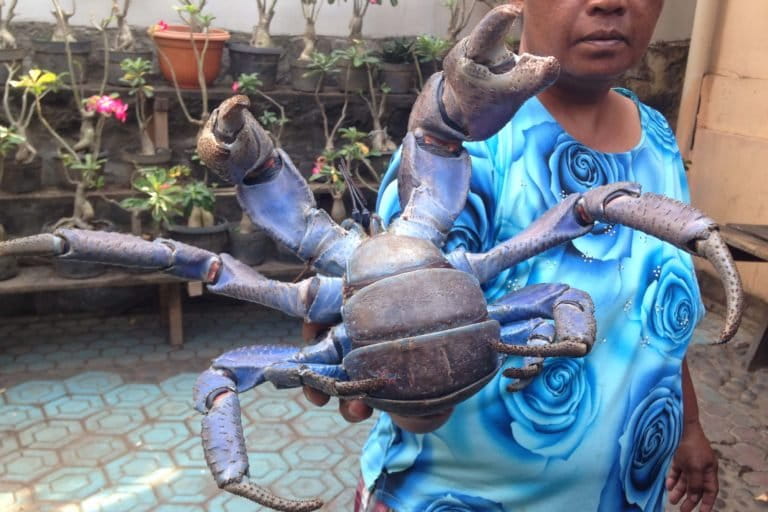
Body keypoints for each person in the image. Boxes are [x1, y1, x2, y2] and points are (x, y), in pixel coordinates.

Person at [304, 1, 719, 510]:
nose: (609, 2)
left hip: (626, 495)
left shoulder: (656, 136)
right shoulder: (459, 150)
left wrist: (688, 426)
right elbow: (392, 373)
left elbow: (656, 312)